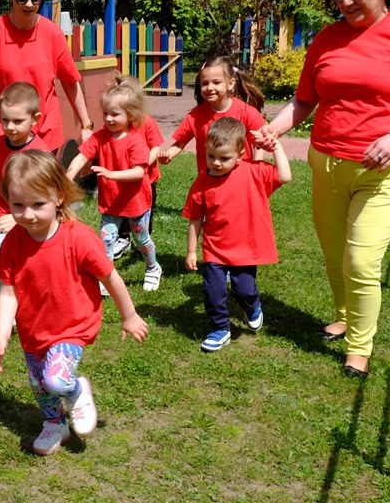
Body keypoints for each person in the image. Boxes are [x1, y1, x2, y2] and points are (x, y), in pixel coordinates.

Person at [262, 0, 390, 378]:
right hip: (326, 162)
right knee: (334, 254)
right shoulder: (326, 39)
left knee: (361, 260)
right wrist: (273, 129)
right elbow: (304, 99)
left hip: (385, 170)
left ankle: (359, 348)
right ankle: (344, 315)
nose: (346, 3)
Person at [0, 150, 148, 456]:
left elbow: (110, 277)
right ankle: (55, 424)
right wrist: (2, 334)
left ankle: (76, 391)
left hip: (72, 326)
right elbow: (8, 293)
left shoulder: (78, 238)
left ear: (59, 197)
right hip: (34, 330)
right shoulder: (13, 243)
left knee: (57, 380)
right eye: (18, 205)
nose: (28, 214)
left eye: (38, 204)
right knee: (39, 384)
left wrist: (129, 315)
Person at [182, 118, 292, 352]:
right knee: (213, 292)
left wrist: (275, 147)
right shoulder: (202, 182)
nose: (216, 163)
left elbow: (284, 176)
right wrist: (192, 251)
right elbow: (195, 218)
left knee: (244, 290)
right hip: (214, 249)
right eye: (211, 156)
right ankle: (219, 329)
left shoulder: (253, 172)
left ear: (241, 155)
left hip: (245, 248)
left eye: (224, 158)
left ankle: (252, 306)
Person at [0, 0, 93, 161]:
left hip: (45, 138)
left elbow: (70, 82)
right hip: (7, 134)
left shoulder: (52, 33)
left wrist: (86, 126)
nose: (29, 4)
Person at [66, 75, 162, 292]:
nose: (108, 119)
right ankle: (106, 279)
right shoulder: (100, 137)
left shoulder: (136, 140)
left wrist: (110, 174)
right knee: (106, 241)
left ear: (131, 115)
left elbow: (139, 172)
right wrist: (68, 177)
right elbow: (81, 157)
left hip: (136, 202)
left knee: (141, 239)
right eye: (105, 113)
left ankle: (152, 267)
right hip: (110, 203)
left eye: (115, 114)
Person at [0, 81, 50, 328]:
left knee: (34, 262)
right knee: (2, 258)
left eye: (18, 121)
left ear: (35, 119)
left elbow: (47, 191)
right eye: (5, 120)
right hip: (5, 214)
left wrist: (19, 217)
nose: (10, 127)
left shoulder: (40, 151)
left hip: (34, 218)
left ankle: (36, 303)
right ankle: (6, 310)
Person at [158, 56, 266, 169]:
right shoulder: (196, 115)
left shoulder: (246, 111)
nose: (209, 87)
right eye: (205, 83)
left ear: (230, 83)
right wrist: (169, 154)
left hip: (241, 175)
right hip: (208, 176)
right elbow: (180, 142)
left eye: (216, 82)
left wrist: (257, 166)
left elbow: (259, 142)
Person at [111, 75, 165, 261]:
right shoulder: (118, 123)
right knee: (123, 207)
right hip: (125, 177)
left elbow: (156, 147)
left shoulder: (147, 122)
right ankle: (123, 237)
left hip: (147, 179)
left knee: (144, 212)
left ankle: (144, 239)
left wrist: (142, 164)